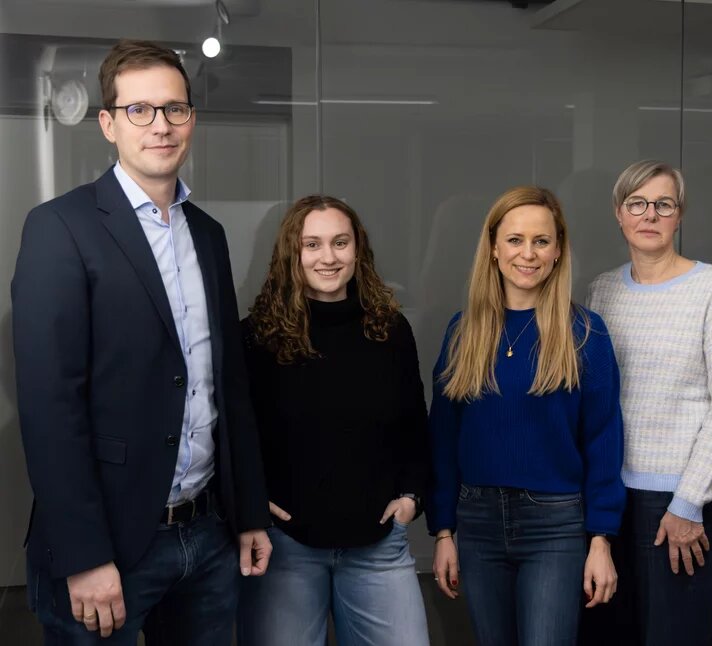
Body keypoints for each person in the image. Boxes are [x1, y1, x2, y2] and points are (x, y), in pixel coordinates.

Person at [11, 39, 271, 645]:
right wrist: (85, 555)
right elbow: (51, 408)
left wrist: (249, 511)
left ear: (192, 120)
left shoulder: (207, 234)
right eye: (140, 110)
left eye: (174, 109)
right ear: (108, 123)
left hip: (207, 537)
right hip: (110, 546)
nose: (160, 125)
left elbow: (227, 386)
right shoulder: (60, 228)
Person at [427, 185, 625, 646]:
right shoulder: (463, 331)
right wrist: (442, 532)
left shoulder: (586, 335)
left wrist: (601, 540)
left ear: (558, 251)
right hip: (475, 523)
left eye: (542, 241)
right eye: (515, 240)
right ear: (494, 248)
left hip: (555, 527)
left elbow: (603, 441)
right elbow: (442, 438)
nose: (528, 254)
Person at [236, 195, 430, 646]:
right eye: (313, 245)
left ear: (357, 250)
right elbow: (235, 434)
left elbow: (414, 427)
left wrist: (411, 497)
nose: (328, 257)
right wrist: (252, 499)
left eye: (340, 242)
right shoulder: (255, 336)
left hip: (378, 545)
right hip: (284, 547)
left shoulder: (390, 331)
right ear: (292, 254)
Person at [586, 161, 712, 645]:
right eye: (637, 204)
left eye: (663, 204)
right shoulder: (602, 292)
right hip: (609, 501)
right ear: (619, 214)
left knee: (675, 634)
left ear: (679, 216)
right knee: (610, 633)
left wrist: (688, 502)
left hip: (678, 504)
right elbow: (590, 402)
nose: (649, 214)